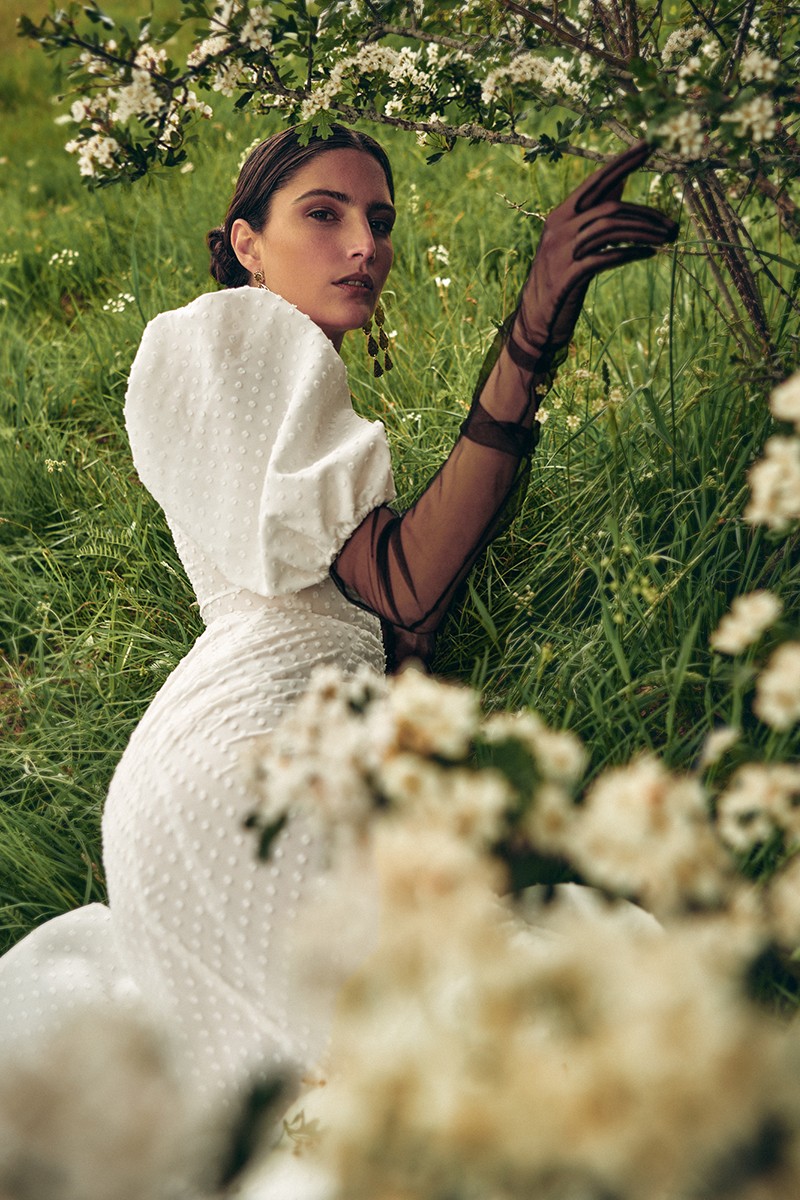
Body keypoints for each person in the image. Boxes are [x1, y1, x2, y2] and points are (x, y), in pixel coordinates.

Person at [0, 125, 677, 1138]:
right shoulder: (227, 339)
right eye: (323, 213)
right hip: (246, 759)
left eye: (380, 220)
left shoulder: (268, 381)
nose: (364, 243)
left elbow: (396, 623)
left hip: (213, 778)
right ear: (245, 243)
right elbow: (402, 584)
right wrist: (533, 322)